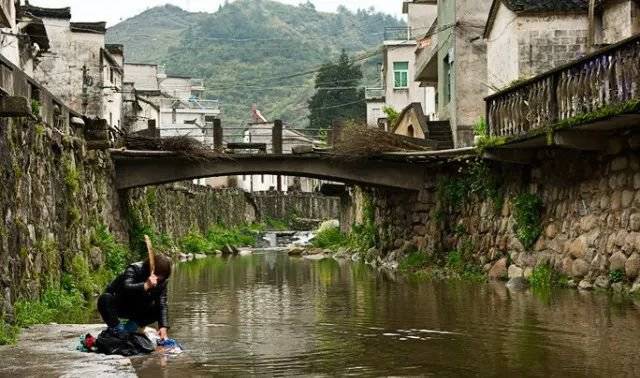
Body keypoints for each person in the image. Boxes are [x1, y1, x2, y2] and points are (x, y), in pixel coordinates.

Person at [97, 254, 172, 340]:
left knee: (157, 309)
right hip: (121, 304)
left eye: (162, 277)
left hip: (139, 310)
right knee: (105, 298)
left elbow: (162, 304)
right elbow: (127, 287)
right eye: (158, 276)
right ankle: (117, 328)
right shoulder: (134, 268)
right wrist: (146, 285)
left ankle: (131, 327)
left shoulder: (162, 282)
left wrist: (163, 326)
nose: (159, 280)